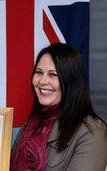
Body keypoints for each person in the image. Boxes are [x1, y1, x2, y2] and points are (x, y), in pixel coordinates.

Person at [10, 43, 107, 171]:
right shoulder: (32, 125)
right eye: (39, 72)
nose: (43, 81)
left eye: (53, 74)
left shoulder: (92, 131)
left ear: (71, 81)